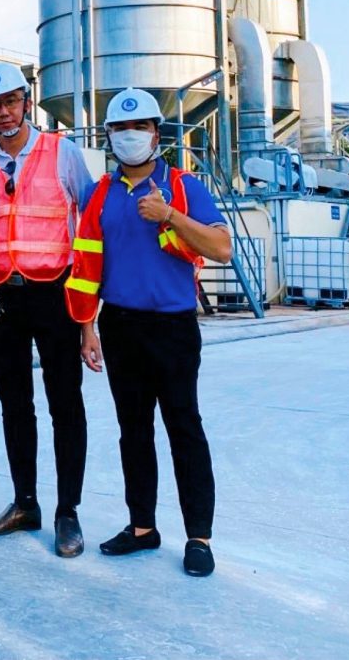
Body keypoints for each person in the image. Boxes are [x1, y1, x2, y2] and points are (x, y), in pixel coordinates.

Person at [66, 87, 232, 577]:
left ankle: (198, 537)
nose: (129, 136)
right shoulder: (101, 193)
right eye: (120, 128)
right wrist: (87, 327)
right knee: (133, 432)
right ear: (108, 136)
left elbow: (222, 248)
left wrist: (170, 216)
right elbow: (87, 264)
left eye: (139, 127)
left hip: (173, 327)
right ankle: (142, 527)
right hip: (120, 325)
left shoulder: (183, 186)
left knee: (184, 428)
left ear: (157, 134)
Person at [0, 61, 93, 557]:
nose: (3, 112)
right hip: (2, 297)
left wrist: (88, 315)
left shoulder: (63, 153)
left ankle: (67, 512)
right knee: (14, 404)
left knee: (65, 404)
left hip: (55, 293)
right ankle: (25, 504)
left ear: (27, 101)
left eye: (11, 101)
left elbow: (90, 229)